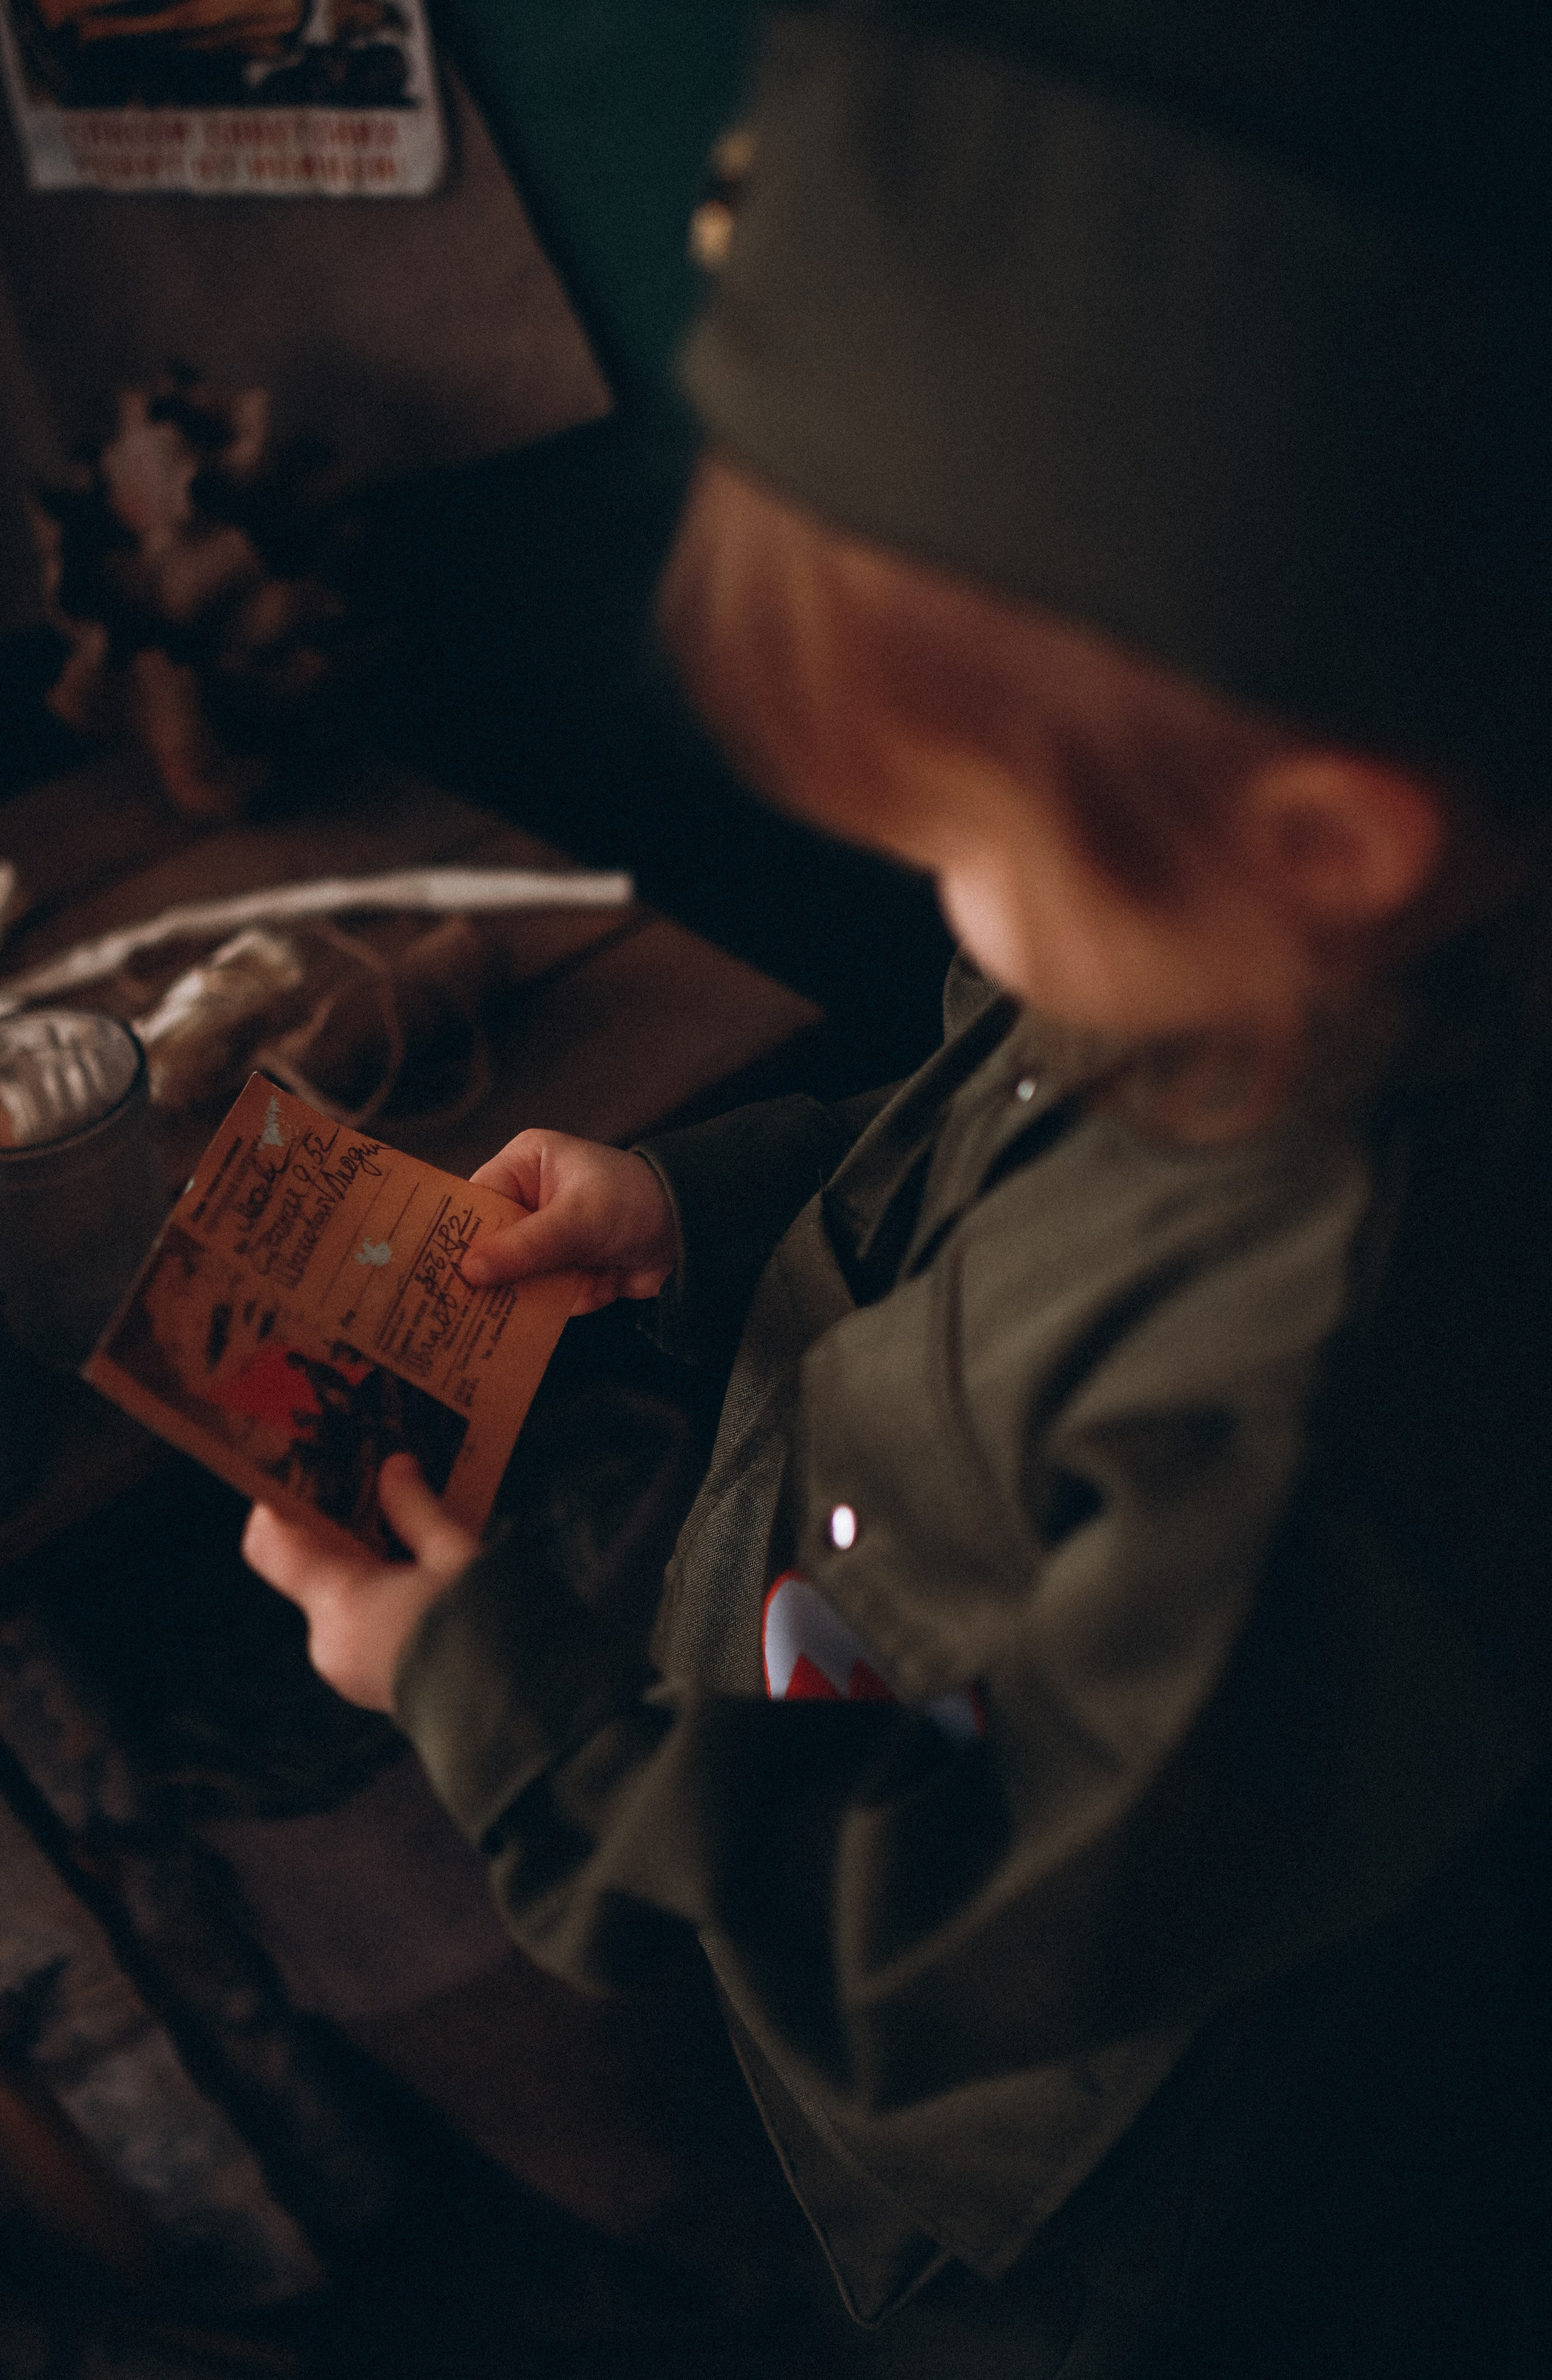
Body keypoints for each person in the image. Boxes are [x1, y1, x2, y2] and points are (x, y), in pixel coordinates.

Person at [241, 3, 1552, 2369]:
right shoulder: (1257, 940)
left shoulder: (1318, 1425)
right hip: (806, 1733)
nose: (946, 917)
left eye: (966, 842)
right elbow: (971, 1165)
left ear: (1333, 838)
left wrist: (488, 1696)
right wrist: (691, 1205)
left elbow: (957, 1919)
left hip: (1063, 2193)